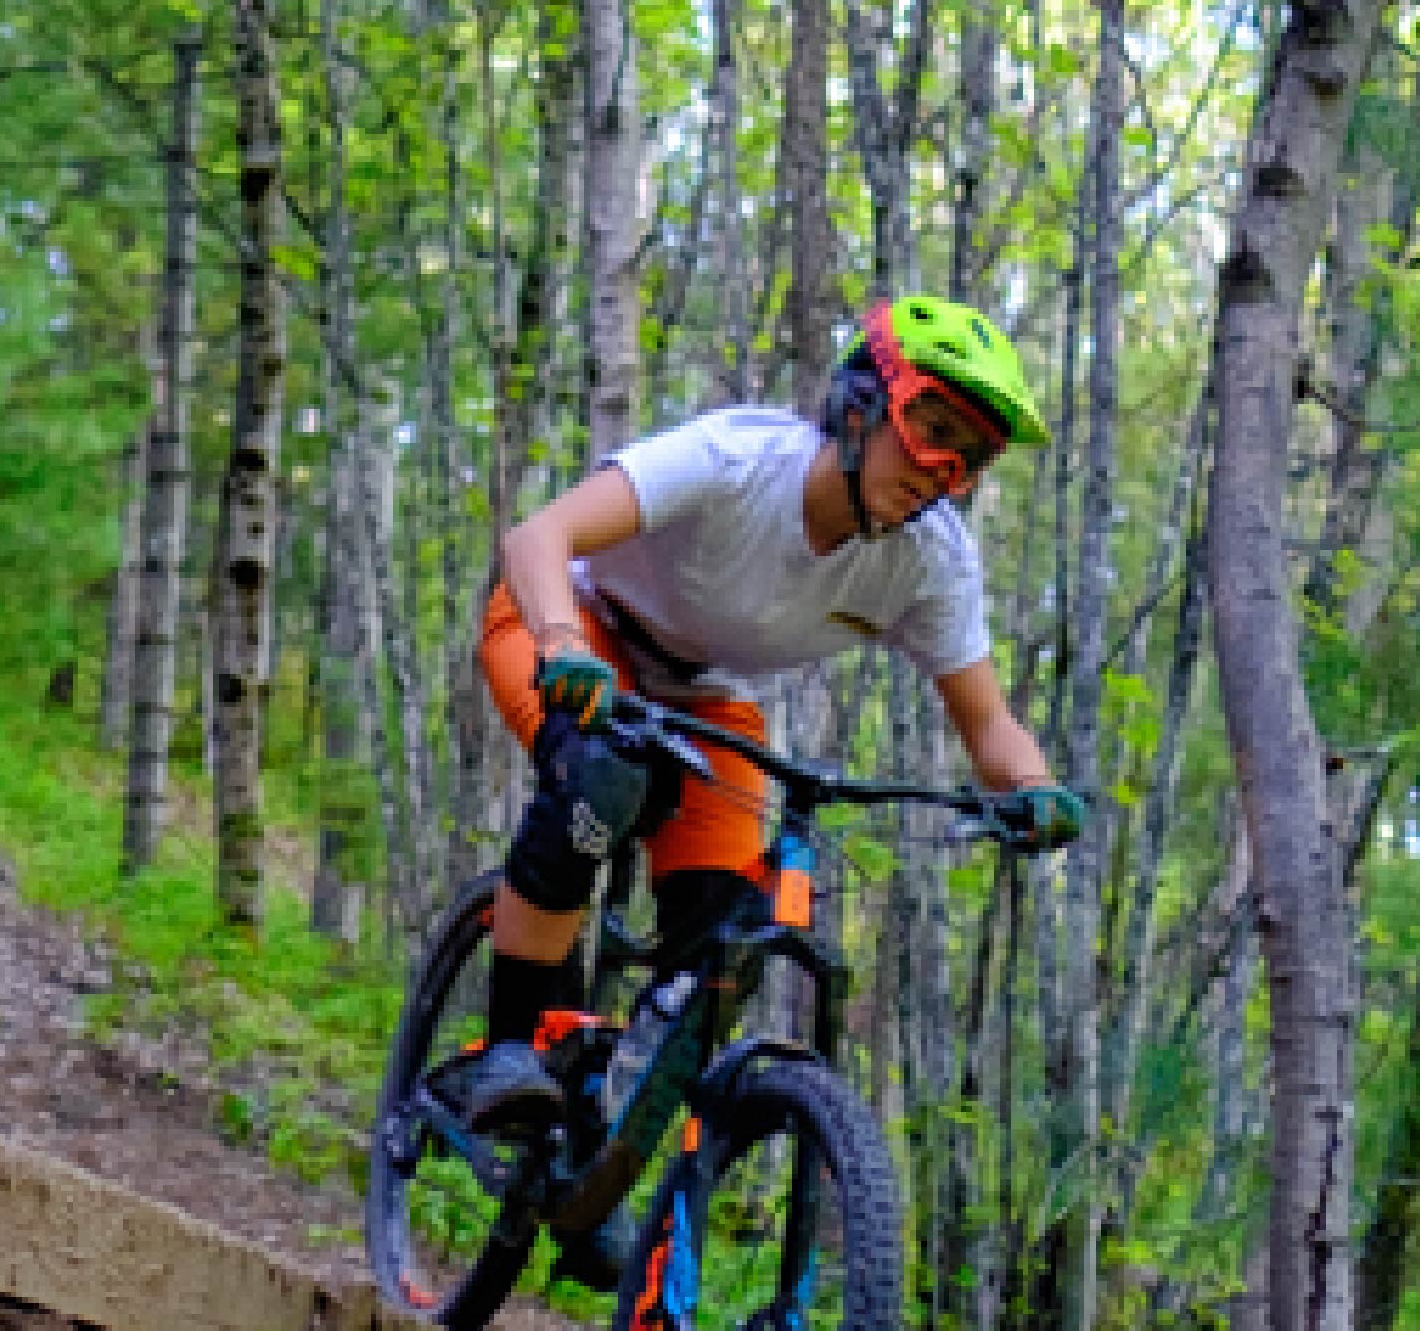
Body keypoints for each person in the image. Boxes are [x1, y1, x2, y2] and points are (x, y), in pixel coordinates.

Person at [445, 293, 1086, 1186]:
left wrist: (1035, 790)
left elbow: (988, 724)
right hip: (577, 623)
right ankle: (508, 1051)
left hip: (704, 694)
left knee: (720, 935)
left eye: (971, 460)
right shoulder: (738, 461)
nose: (944, 472)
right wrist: (558, 645)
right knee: (600, 780)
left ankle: (587, 1158)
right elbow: (538, 535)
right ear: (858, 407)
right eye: (930, 431)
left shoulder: (930, 561)